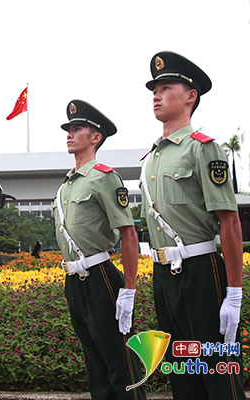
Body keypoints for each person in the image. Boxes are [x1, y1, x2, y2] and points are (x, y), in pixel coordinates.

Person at [141, 51, 245, 399]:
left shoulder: (204, 150)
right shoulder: (151, 157)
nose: (156, 94)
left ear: (190, 96)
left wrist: (234, 293)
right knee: (182, 371)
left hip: (201, 271)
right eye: (154, 89)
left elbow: (229, 223)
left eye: (165, 87)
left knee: (217, 369)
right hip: (163, 275)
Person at [53, 100, 146, 400]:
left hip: (101, 278)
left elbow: (128, 235)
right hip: (74, 282)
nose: (69, 133)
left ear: (95, 137)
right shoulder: (65, 187)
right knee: (95, 365)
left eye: (77, 128)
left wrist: (128, 291)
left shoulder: (105, 177)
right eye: (68, 128)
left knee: (121, 364)